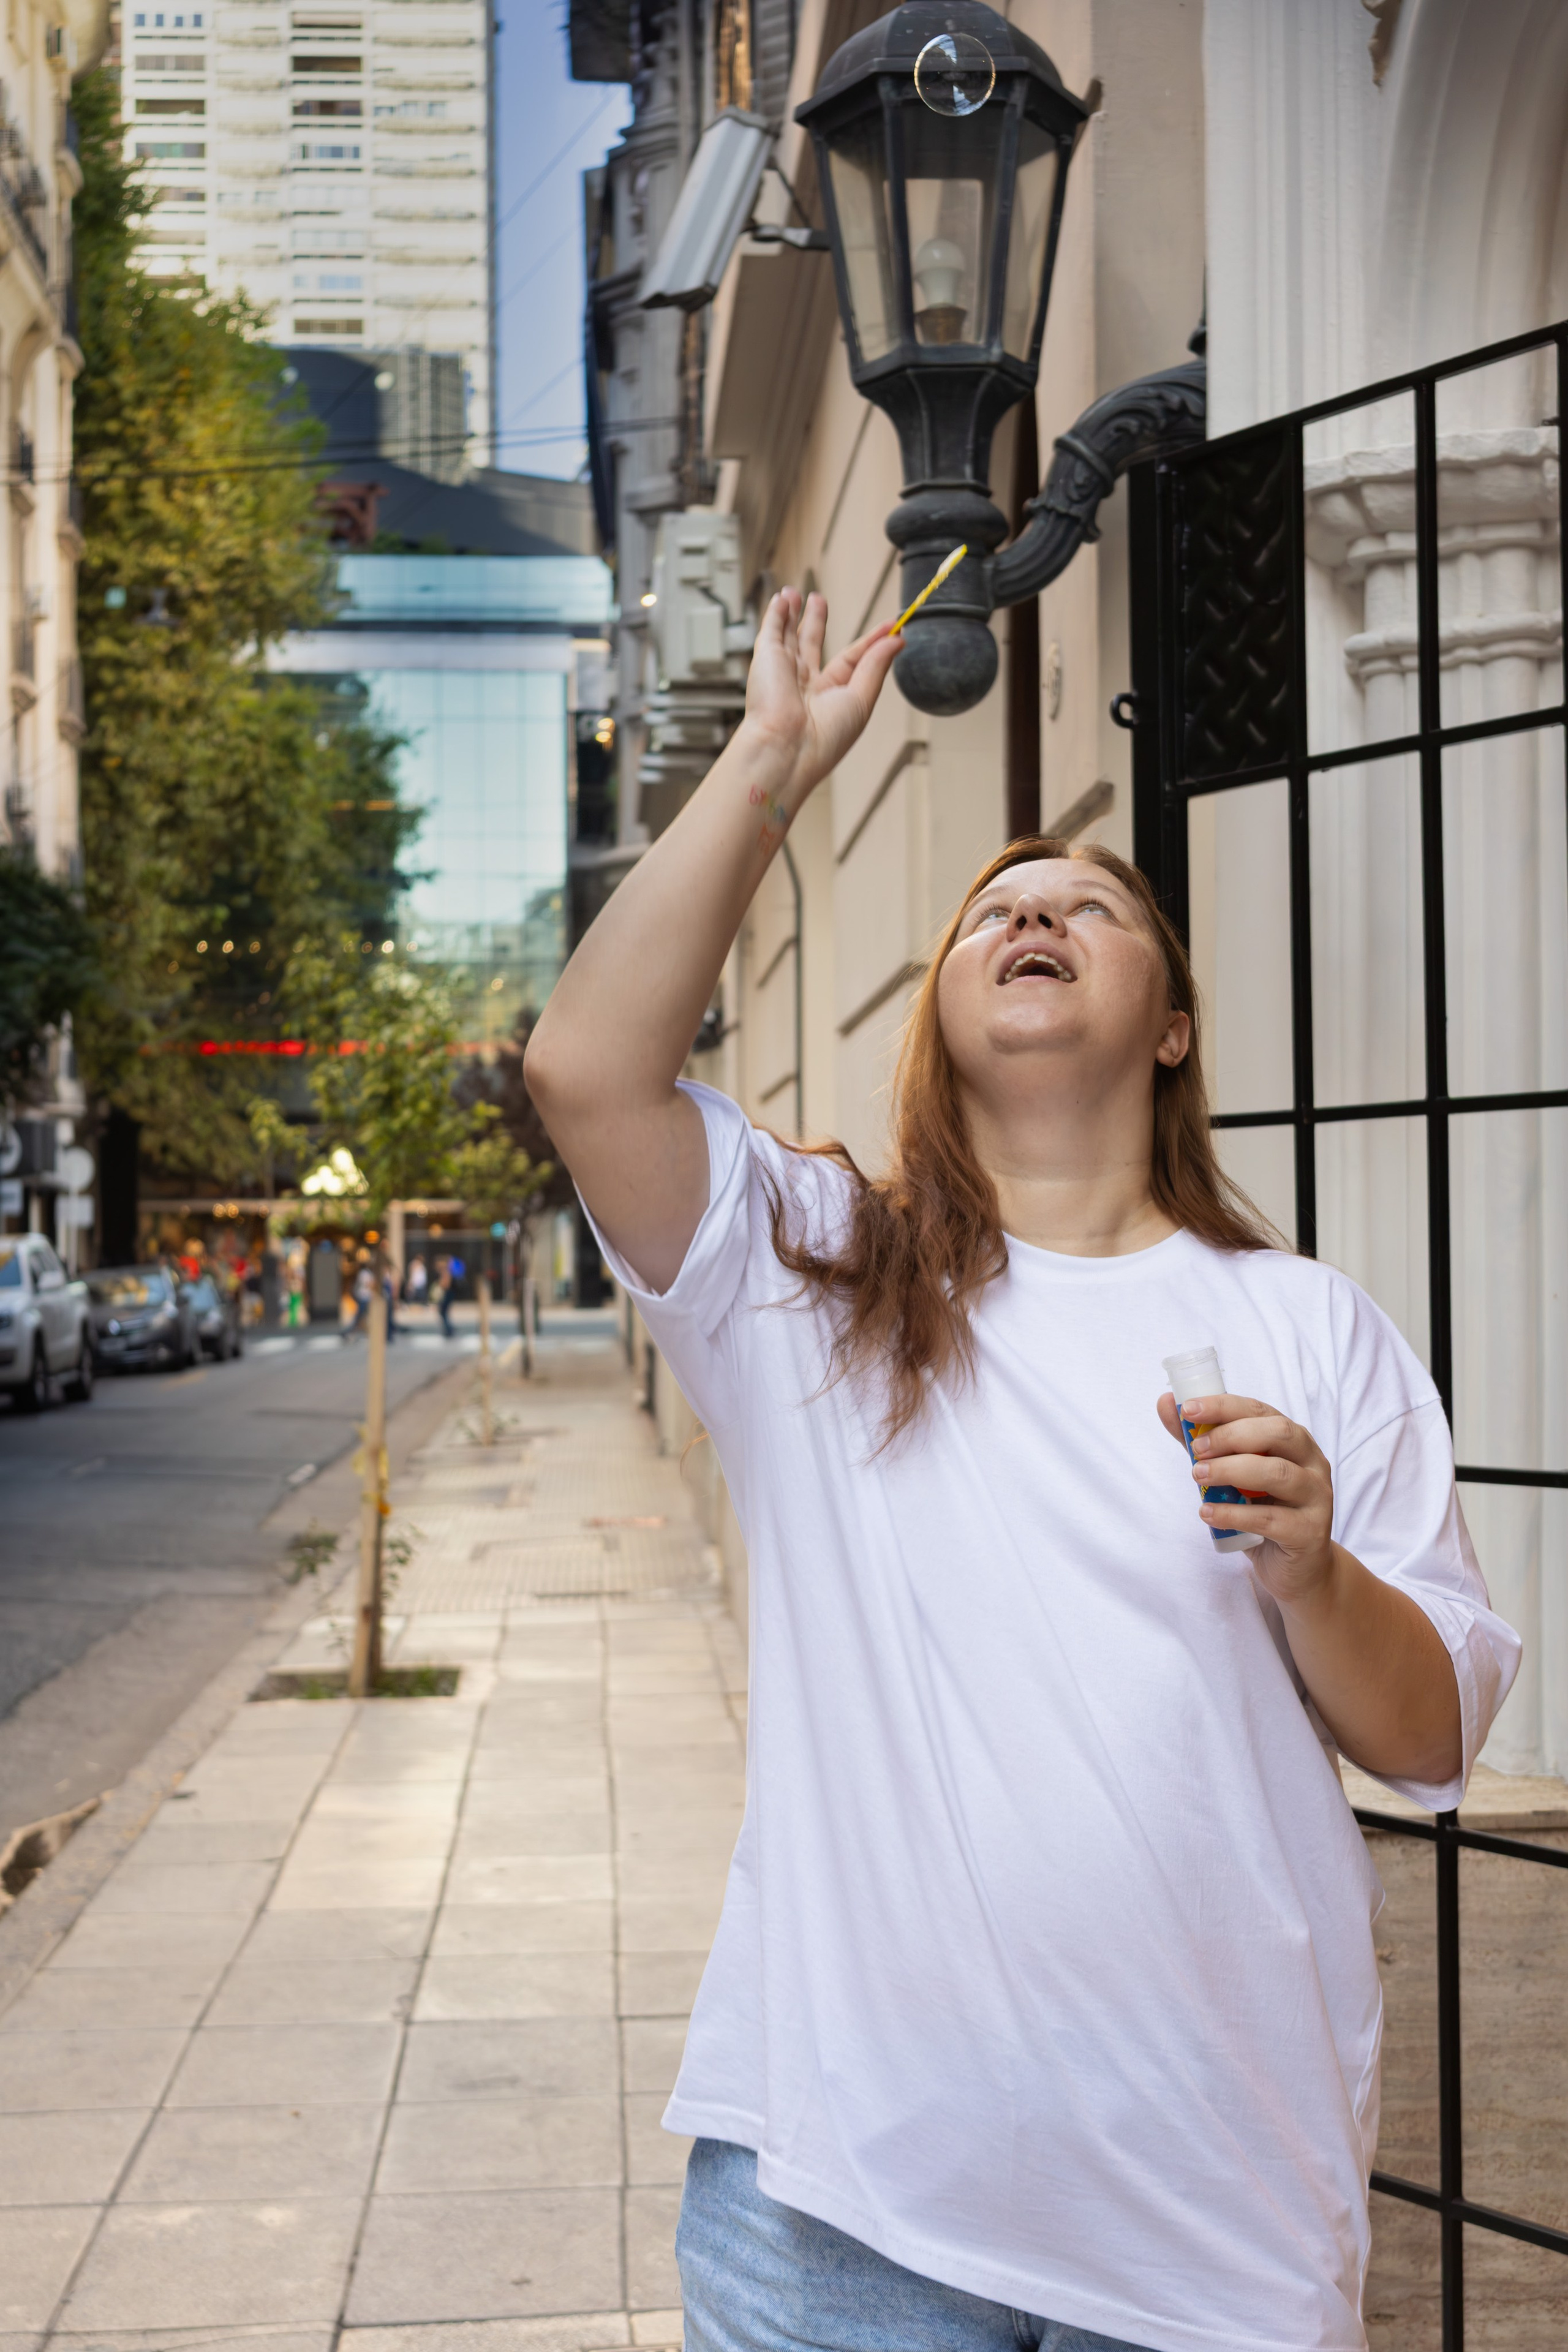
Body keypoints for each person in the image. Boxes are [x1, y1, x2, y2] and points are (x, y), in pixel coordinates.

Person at [523, 589, 1521, 2352]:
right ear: (940, 1015)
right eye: (994, 911)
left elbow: (1432, 1736)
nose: (1034, 914)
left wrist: (1315, 1574)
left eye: (1088, 906)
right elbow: (588, 1072)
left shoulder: (1309, 1324)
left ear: (1173, 1025)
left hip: (1216, 2209)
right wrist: (774, 763)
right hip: (845, 2207)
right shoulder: (817, 1275)